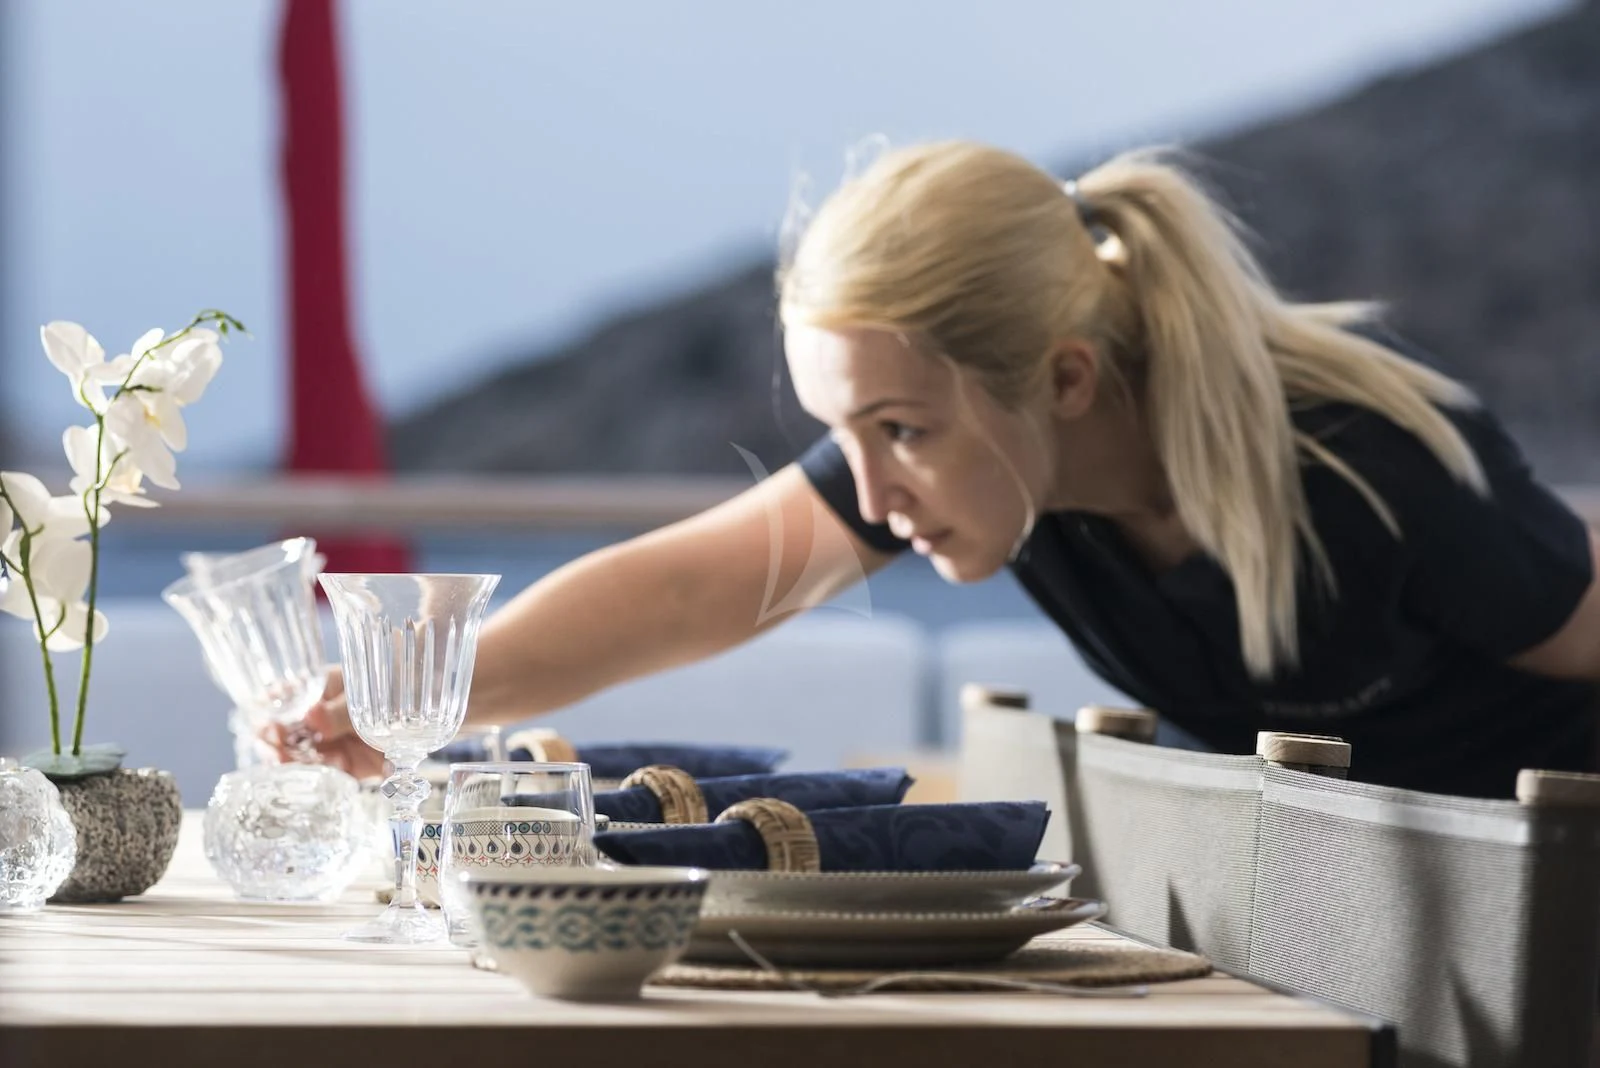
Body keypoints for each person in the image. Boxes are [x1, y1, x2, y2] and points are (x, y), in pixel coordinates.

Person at [273, 141, 1600, 799]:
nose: (869, 487)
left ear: (1066, 381)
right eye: (846, 435)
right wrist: (408, 701)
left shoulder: (1385, 475)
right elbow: (684, 595)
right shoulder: (991, 466)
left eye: (900, 431)